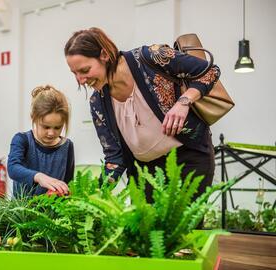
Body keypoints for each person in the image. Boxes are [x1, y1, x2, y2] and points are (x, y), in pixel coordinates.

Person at [64, 27, 220, 201]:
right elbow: (115, 157)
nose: (80, 80)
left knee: (185, 227)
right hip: (144, 175)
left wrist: (184, 102)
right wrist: (91, 194)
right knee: (149, 229)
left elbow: (210, 71)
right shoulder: (97, 103)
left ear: (104, 55)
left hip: (189, 161)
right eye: (74, 73)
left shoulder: (151, 56)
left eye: (84, 70)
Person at [7, 85, 74, 198]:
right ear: (33, 117)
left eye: (57, 127)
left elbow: (68, 182)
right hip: (22, 213)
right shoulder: (22, 140)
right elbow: (13, 168)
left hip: (53, 214)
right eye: (46, 127)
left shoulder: (67, 146)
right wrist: (39, 177)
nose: (51, 133)